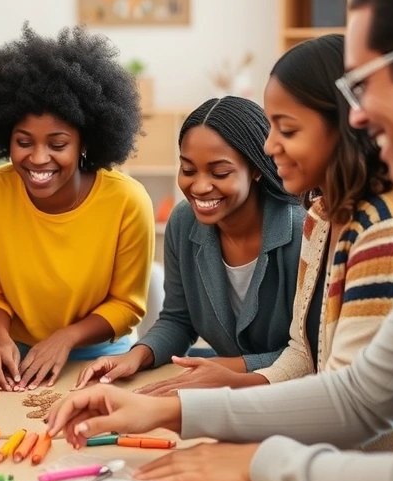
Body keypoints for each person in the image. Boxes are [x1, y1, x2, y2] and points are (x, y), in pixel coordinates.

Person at [45, 0, 393, 481]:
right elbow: (360, 394)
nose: (359, 114)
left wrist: (259, 461)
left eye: (363, 85)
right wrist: (169, 409)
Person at [116, 34, 393, 417]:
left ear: (346, 124)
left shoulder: (390, 225)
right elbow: (305, 355)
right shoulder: (323, 218)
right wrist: (162, 376)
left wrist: (205, 411)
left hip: (377, 457)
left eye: (286, 129)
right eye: (272, 128)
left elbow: (356, 404)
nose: (268, 146)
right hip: (313, 428)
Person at [0, 25, 153, 392]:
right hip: (9, 356)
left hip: (98, 356)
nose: (38, 158)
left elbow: (126, 304)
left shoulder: (127, 202)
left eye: (57, 144)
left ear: (85, 142)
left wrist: (65, 338)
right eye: (24, 142)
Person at [76, 96, 303, 390]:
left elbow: (313, 352)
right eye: (188, 170)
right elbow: (178, 320)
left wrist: (235, 369)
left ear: (257, 169)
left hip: (293, 397)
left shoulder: (301, 232)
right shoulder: (184, 223)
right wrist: (137, 356)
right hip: (226, 393)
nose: (199, 187)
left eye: (220, 173)